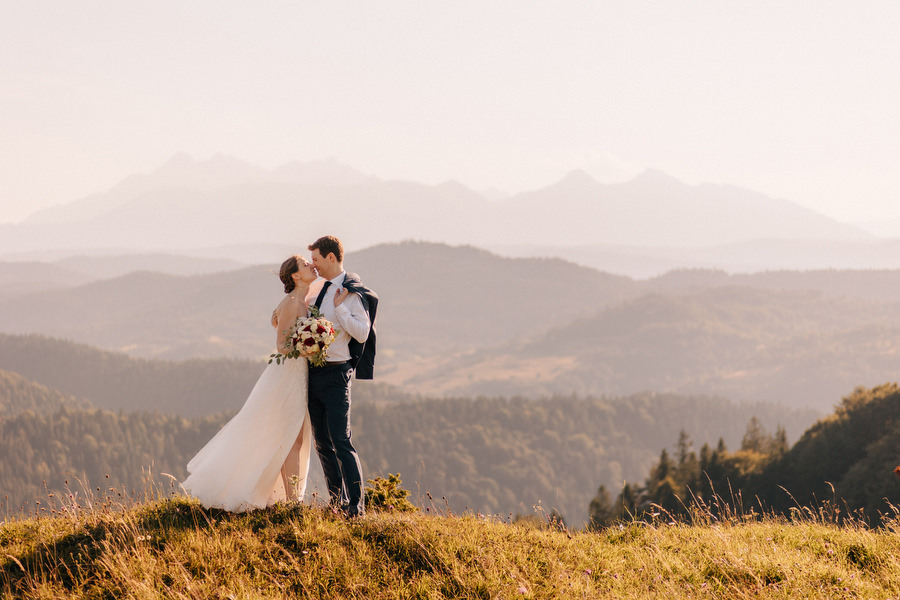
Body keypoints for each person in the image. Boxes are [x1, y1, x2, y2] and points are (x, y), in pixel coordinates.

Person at [181, 255, 318, 511]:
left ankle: (290, 499)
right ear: (296, 276)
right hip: (287, 376)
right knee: (291, 438)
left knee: (296, 438)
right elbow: (281, 345)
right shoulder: (290, 303)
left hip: (298, 374)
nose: (312, 266)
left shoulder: (303, 300)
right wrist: (310, 346)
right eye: (305, 265)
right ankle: (293, 502)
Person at [307, 235, 377, 517]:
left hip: (337, 373)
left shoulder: (352, 293)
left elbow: (362, 332)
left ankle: (356, 507)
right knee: (322, 442)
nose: (314, 266)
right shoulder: (318, 289)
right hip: (313, 374)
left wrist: (341, 308)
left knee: (341, 440)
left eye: (316, 260)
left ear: (332, 257)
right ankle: (337, 502)